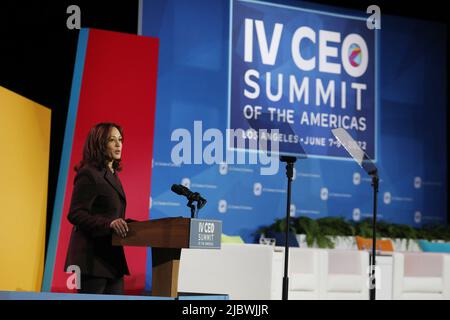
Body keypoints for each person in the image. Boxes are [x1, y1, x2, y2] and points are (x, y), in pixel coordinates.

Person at [65, 122, 131, 295]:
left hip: (112, 259)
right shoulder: (88, 173)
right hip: (91, 260)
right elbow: (76, 214)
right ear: (100, 144)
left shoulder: (113, 176)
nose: (118, 144)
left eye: (120, 139)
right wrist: (109, 224)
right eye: (112, 140)